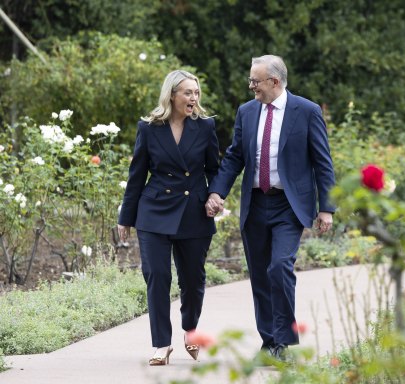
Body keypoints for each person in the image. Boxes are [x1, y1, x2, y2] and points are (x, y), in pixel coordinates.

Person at [205, 55, 335, 360]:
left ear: (274, 82)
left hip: (288, 205)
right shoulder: (247, 112)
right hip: (255, 203)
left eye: (255, 81)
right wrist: (217, 192)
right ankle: (270, 341)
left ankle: (284, 341)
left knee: (279, 267)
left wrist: (326, 208)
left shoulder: (306, 111)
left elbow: (323, 162)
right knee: (261, 276)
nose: (251, 86)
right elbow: (236, 156)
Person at [117, 70, 219, 366]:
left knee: (193, 279)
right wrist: (126, 217)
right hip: (154, 210)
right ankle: (161, 344)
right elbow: (137, 174)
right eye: (188, 93)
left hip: (194, 212)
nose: (194, 98)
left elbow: (215, 168)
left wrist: (216, 194)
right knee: (157, 276)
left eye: (196, 93)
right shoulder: (149, 128)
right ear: (172, 95)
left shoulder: (205, 126)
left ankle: (190, 330)